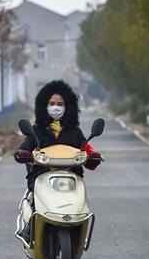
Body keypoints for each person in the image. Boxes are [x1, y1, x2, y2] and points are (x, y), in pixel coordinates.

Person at [14, 79, 102, 242]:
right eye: (52, 103)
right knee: (35, 194)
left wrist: (93, 156)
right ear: (44, 106)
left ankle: (78, 222)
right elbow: (24, 148)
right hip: (42, 175)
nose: (56, 107)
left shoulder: (74, 131)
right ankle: (30, 226)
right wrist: (22, 154)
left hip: (72, 175)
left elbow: (86, 148)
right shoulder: (37, 130)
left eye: (60, 104)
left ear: (68, 107)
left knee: (80, 195)